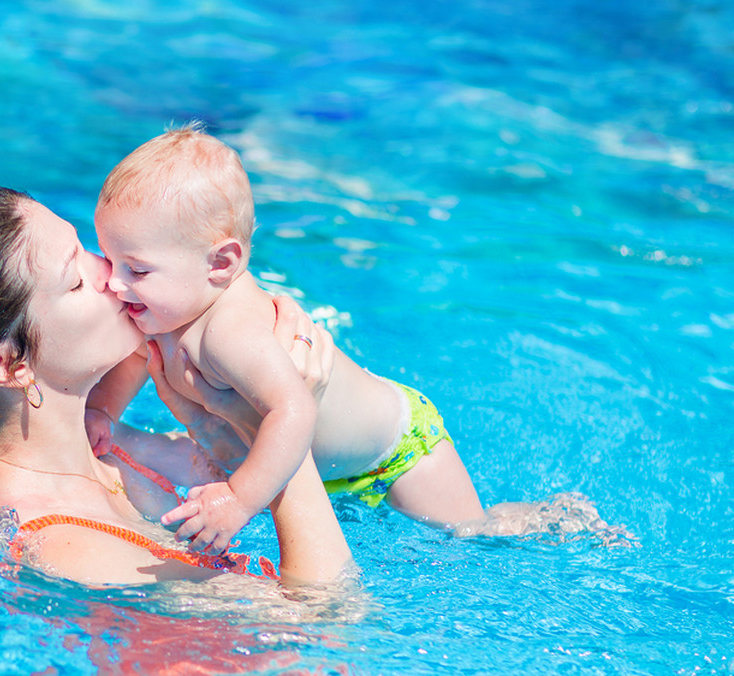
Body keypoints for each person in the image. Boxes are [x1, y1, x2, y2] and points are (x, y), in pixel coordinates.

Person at [0, 186, 354, 586]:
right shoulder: (64, 546)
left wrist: (234, 402)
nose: (110, 274)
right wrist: (284, 416)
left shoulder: (103, 447)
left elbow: (223, 473)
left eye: (85, 248)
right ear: (10, 365)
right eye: (75, 280)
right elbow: (325, 625)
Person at [86, 124, 488, 555]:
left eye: (137, 270)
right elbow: (133, 358)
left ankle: (545, 519)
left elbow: (293, 410)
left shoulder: (228, 332)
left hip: (400, 455)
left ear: (220, 264)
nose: (114, 282)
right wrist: (101, 411)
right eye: (109, 259)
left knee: (475, 540)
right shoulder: (166, 305)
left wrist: (239, 499)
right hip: (320, 469)